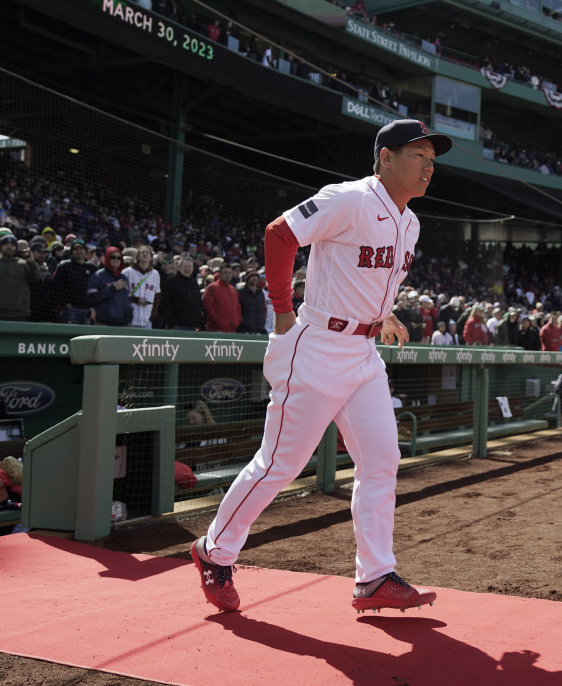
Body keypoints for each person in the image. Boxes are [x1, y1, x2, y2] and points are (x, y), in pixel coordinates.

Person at [190, 118, 450, 616]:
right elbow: (280, 233)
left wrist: (385, 312)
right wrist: (283, 307)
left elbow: (370, 275)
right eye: (418, 155)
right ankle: (214, 551)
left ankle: (374, 577)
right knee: (279, 465)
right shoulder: (349, 198)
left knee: (381, 462)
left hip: (363, 353)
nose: (428, 166)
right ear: (386, 158)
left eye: (432, 160)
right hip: (316, 346)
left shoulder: (411, 222)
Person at [0, 234, 41, 321]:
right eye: (6, 245)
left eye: (12, 245)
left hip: (19, 312)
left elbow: (36, 279)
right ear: (0, 247)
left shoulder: (23, 264)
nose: (9, 247)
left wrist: (32, 262)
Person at [52, 240, 98, 324]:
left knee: (86, 336)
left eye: (81, 249)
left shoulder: (93, 268)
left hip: (87, 310)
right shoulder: (64, 266)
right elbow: (56, 287)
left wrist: (93, 307)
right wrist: (66, 304)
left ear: (85, 251)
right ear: (72, 251)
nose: (79, 252)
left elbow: (97, 289)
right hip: (70, 310)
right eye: (76, 249)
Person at [86, 246, 131, 326]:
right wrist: (112, 288)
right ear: (107, 258)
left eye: (119, 258)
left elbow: (127, 300)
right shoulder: (98, 276)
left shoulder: (124, 278)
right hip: (103, 322)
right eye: (113, 257)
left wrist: (129, 317)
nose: (116, 260)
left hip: (122, 323)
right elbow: (91, 299)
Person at [158, 257, 205, 330]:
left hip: (192, 326)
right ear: (179, 267)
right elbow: (164, 303)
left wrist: (198, 321)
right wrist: (172, 323)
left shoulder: (194, 282)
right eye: (185, 266)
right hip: (176, 326)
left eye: (190, 267)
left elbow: (198, 303)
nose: (187, 269)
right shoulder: (170, 281)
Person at [122, 245, 161, 328]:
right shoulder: (127, 272)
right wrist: (136, 299)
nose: (145, 254)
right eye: (142, 252)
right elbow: (121, 294)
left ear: (151, 257)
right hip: (130, 318)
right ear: (138, 256)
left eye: (148, 252)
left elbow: (157, 296)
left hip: (147, 319)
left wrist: (152, 316)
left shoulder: (155, 274)